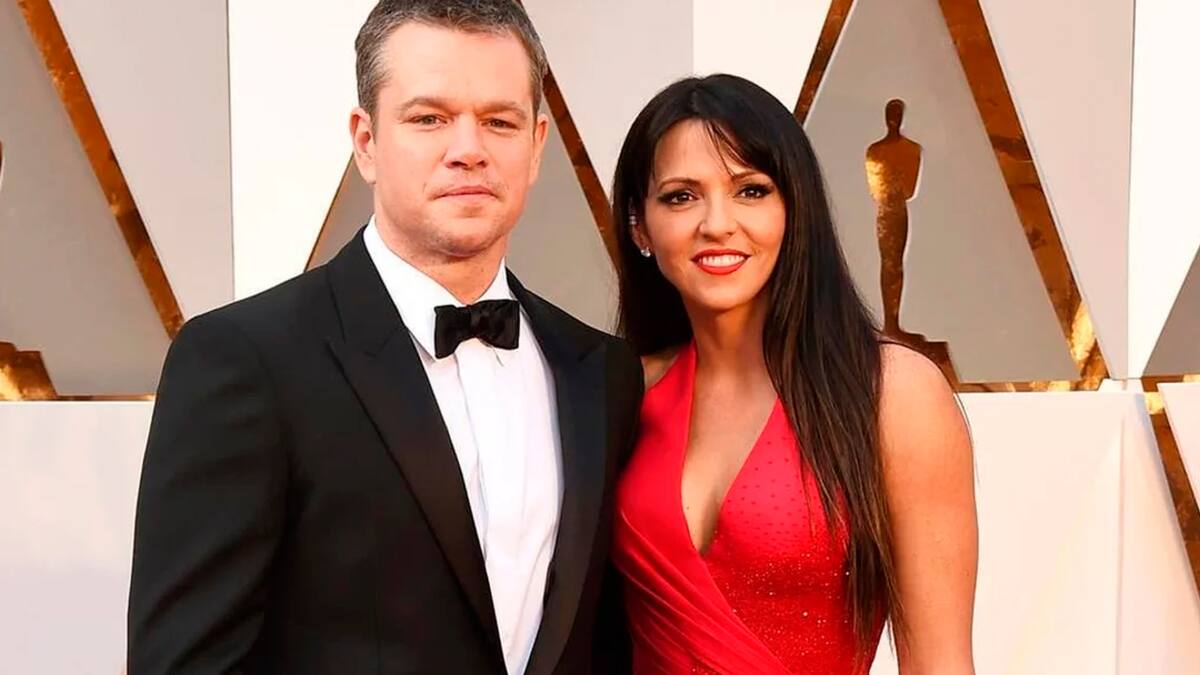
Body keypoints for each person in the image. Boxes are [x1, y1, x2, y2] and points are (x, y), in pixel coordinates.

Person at [126, 1, 642, 673]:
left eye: (499, 121)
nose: (469, 150)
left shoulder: (599, 371)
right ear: (366, 141)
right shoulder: (245, 360)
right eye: (429, 118)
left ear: (537, 143)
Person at [609, 75, 978, 674]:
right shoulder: (620, 391)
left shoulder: (892, 393)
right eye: (681, 197)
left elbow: (940, 664)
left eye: (751, 190)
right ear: (638, 226)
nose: (717, 223)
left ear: (794, 209)